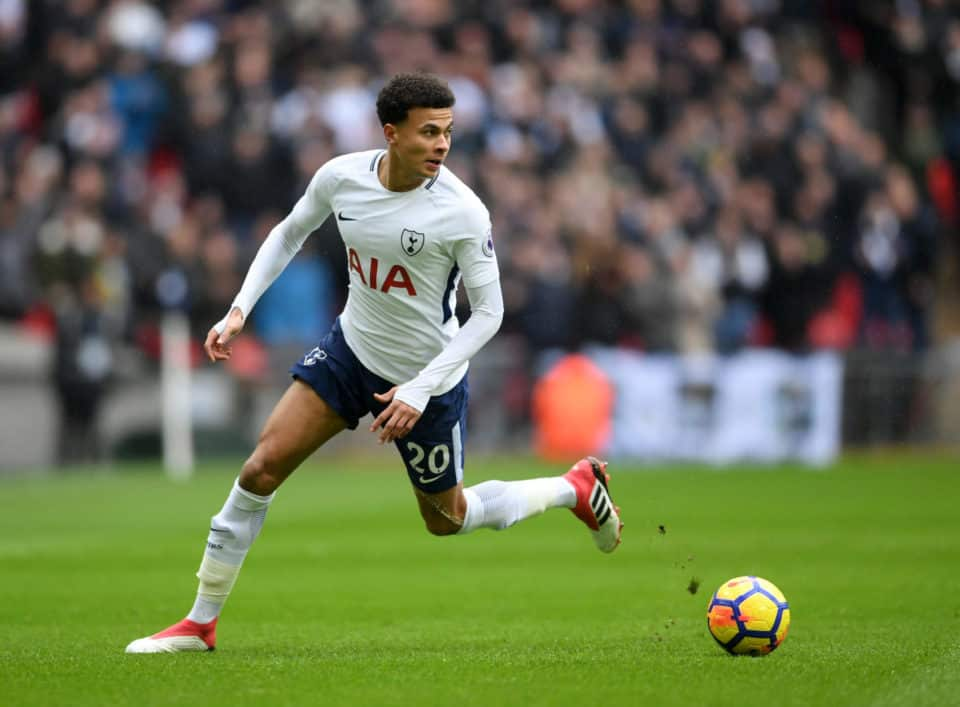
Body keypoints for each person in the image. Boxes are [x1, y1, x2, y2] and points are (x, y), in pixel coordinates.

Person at [125, 73, 622, 654]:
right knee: (260, 469)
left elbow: (489, 313)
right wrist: (239, 310)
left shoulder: (463, 212)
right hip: (350, 352)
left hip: (428, 378)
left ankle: (573, 487)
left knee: (448, 518)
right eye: (429, 132)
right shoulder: (341, 178)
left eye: (449, 132)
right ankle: (200, 623)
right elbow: (288, 233)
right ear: (391, 133)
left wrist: (419, 389)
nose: (442, 145)